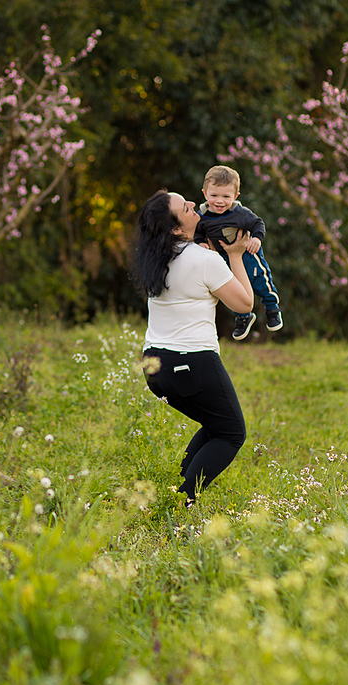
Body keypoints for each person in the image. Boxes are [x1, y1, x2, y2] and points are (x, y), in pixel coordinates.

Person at [133, 188, 254, 506]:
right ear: (175, 228)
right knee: (231, 433)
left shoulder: (157, 261)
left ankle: (176, 488)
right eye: (184, 207)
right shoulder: (204, 260)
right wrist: (237, 256)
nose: (191, 204)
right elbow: (244, 304)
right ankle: (182, 499)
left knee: (217, 424)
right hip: (192, 364)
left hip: (155, 367)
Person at [194, 165, 283, 341]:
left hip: (247, 253)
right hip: (222, 258)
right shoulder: (202, 216)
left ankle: (272, 308)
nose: (219, 201)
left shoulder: (240, 213)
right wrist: (201, 243)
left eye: (226, 197)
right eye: (214, 196)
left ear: (235, 197)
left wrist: (256, 239)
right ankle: (243, 316)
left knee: (260, 280)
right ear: (205, 194)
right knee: (232, 288)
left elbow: (258, 224)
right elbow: (197, 232)